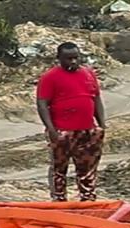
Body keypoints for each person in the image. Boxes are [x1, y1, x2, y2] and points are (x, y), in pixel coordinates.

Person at [36, 42, 106, 202]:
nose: (73, 62)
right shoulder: (49, 77)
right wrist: (51, 129)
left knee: (87, 167)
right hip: (62, 130)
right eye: (68, 58)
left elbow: (96, 98)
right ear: (59, 58)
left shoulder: (88, 73)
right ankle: (59, 199)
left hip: (88, 130)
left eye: (76, 58)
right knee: (59, 168)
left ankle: (87, 198)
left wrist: (101, 125)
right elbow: (42, 104)